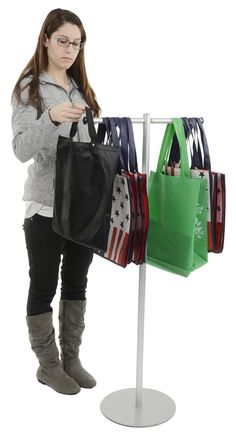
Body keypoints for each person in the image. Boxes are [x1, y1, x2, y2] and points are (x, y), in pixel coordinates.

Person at [11, 8, 101, 395]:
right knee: (43, 284)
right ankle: (48, 366)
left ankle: (71, 358)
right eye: (62, 40)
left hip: (83, 205)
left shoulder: (81, 89)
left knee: (77, 283)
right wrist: (49, 117)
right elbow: (20, 150)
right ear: (46, 38)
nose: (69, 49)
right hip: (45, 207)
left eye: (76, 43)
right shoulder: (30, 87)